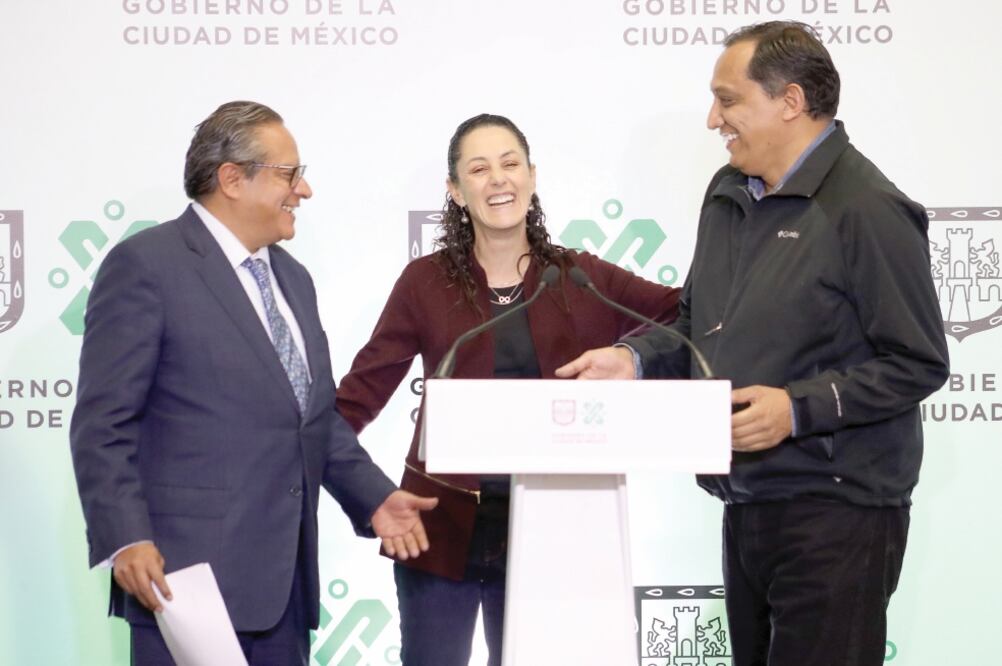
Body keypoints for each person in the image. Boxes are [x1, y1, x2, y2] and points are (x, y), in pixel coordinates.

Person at [556, 21, 949, 666]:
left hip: (838, 512)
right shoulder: (727, 193)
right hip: (746, 503)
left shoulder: (868, 208)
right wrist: (634, 358)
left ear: (790, 101)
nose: (714, 119)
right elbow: (697, 322)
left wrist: (796, 409)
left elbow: (918, 361)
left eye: (728, 99)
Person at [69, 100, 437, 665]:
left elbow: (312, 418)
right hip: (181, 586)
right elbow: (103, 424)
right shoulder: (146, 265)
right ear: (232, 179)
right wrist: (126, 538)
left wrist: (375, 497)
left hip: (284, 590)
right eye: (290, 174)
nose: (303, 191)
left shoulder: (293, 279)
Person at [334, 113, 680, 665]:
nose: (498, 178)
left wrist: (629, 356)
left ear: (532, 176)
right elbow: (355, 400)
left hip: (554, 535)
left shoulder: (579, 276)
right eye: (479, 169)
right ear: (455, 190)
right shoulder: (424, 283)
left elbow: (685, 314)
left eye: (510, 163)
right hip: (436, 526)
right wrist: (361, 491)